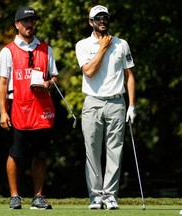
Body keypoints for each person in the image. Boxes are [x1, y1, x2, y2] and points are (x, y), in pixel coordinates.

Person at [0, 6, 58, 210]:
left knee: (40, 153)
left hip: (41, 106)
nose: (29, 24)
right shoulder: (7, 51)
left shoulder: (45, 48)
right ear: (17, 25)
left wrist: (48, 84)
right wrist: (3, 111)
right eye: (25, 21)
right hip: (18, 105)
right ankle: (15, 196)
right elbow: (3, 83)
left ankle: (38, 197)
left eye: (32, 21)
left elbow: (54, 76)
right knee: (16, 152)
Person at [75, 5, 137, 210]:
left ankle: (110, 196)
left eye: (105, 17)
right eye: (98, 18)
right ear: (90, 22)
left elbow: (129, 76)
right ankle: (96, 196)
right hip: (92, 102)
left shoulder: (122, 44)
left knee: (115, 152)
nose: (102, 21)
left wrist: (132, 105)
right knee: (92, 151)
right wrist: (102, 47)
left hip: (117, 103)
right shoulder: (83, 45)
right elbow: (90, 71)